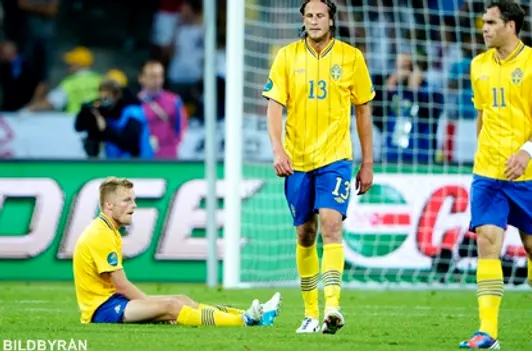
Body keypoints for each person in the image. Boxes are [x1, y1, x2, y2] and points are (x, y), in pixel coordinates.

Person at [262, 0, 375, 335]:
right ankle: (310, 313)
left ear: (331, 20)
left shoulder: (351, 58)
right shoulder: (286, 56)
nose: (314, 21)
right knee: (305, 233)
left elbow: (363, 111)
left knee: (330, 225)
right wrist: (278, 150)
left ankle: (333, 308)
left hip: (335, 159)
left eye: (320, 15)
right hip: (297, 160)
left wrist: (367, 162)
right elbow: (273, 108)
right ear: (303, 20)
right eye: (309, 16)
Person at [460, 1, 532, 349]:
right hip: (488, 172)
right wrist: (481, 153)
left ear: (511, 26)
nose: (484, 28)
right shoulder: (478, 66)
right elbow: (482, 114)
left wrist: (525, 152)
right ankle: (488, 331)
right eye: (483, 22)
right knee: (487, 242)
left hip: (530, 174)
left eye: (490, 22)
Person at [72, 177, 282, 326]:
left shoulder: (109, 230)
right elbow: (121, 284)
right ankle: (243, 321)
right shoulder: (100, 234)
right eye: (127, 200)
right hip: (102, 310)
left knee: (182, 300)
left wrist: (151, 306)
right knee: (171, 306)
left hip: (114, 301)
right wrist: (152, 305)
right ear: (108, 205)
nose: (134, 206)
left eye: (133, 200)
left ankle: (253, 314)